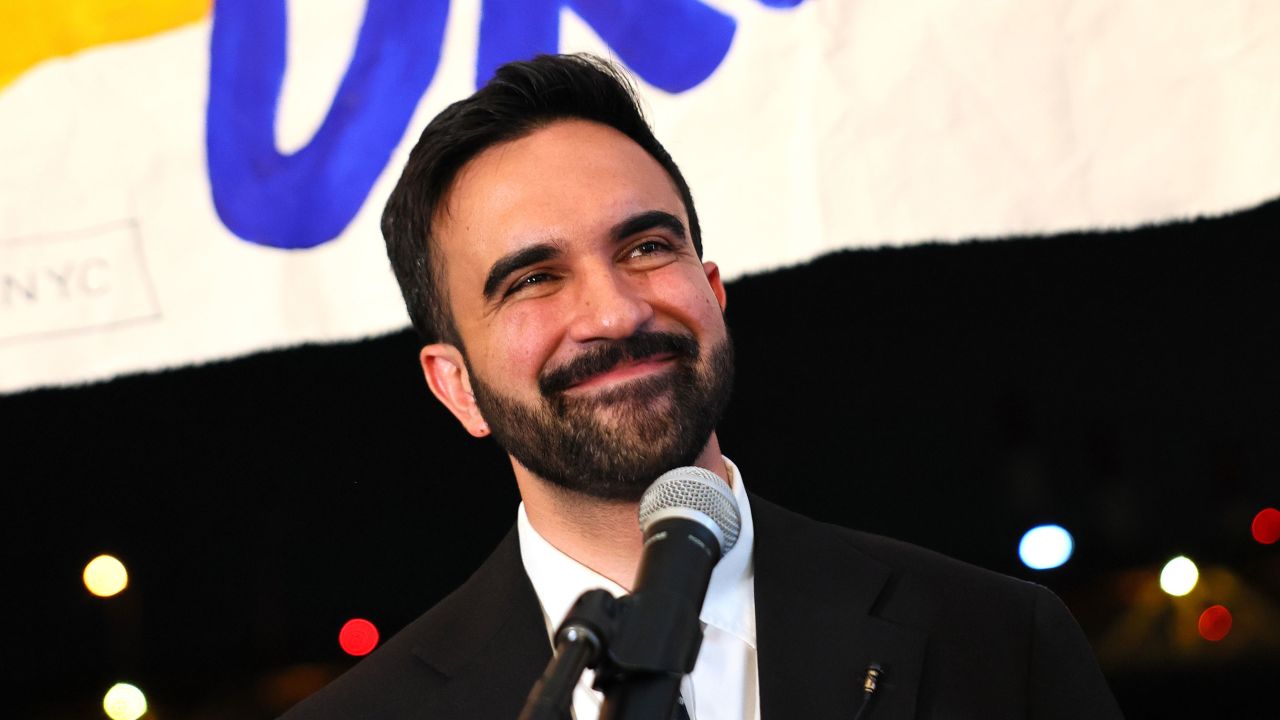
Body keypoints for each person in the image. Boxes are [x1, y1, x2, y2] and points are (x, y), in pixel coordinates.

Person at [281, 54, 1123, 720]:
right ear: (455, 387)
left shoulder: (998, 644)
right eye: (534, 278)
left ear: (712, 293)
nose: (614, 311)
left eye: (646, 247)